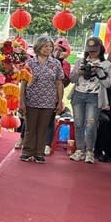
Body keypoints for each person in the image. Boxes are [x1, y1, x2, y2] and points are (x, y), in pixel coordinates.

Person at [19, 35, 64, 164]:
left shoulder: (55, 63)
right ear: (38, 47)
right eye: (45, 46)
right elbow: (23, 83)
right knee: (30, 127)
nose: (48, 49)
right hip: (31, 99)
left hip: (48, 101)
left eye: (50, 46)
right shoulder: (30, 63)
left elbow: (59, 83)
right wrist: (21, 100)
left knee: (43, 128)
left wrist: (59, 101)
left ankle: (39, 152)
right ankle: (27, 151)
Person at [68, 37, 111, 164]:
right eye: (90, 50)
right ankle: (79, 150)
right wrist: (79, 72)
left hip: (94, 96)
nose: (92, 52)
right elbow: (72, 79)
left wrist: (99, 71)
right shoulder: (80, 62)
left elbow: (108, 84)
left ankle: (90, 151)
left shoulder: (106, 64)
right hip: (78, 94)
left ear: (100, 49)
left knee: (91, 124)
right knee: (78, 123)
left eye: (95, 50)